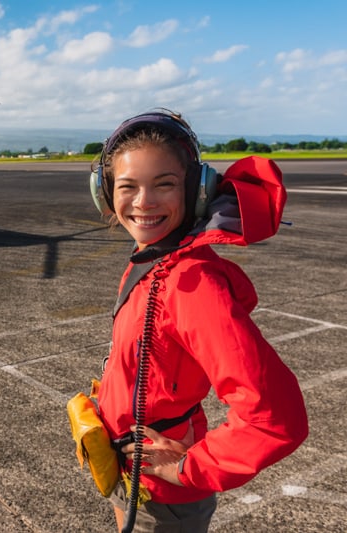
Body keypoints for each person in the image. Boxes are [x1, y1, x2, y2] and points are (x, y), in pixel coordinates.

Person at [87, 109, 308, 532]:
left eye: (164, 185)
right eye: (127, 186)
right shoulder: (153, 262)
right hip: (129, 472)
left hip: (164, 496)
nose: (144, 202)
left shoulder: (192, 283)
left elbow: (275, 416)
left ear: (198, 191)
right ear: (105, 192)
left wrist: (192, 466)